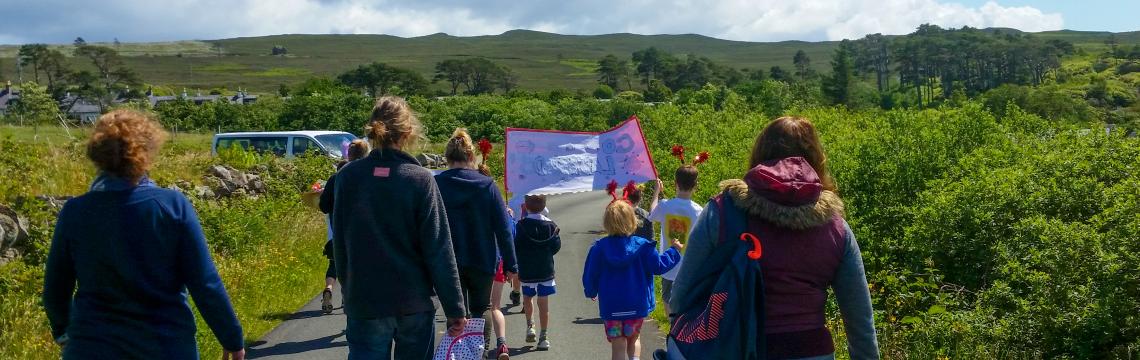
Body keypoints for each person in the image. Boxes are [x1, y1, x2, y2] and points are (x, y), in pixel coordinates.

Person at [667, 116, 879, 359]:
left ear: (760, 153)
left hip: (736, 348)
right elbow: (860, 321)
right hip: (812, 351)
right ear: (817, 159)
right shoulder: (836, 227)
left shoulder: (723, 212)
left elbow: (681, 296)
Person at [42, 109, 245, 360]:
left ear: (97, 154)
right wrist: (232, 339)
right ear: (147, 152)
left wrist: (64, 333)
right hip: (165, 345)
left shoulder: (75, 211)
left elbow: (55, 290)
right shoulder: (171, 205)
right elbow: (205, 283)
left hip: (92, 347)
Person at [322, 96, 467, 359]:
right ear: (407, 132)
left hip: (365, 301)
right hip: (414, 301)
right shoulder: (420, 179)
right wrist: (455, 308)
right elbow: (439, 249)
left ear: (372, 129)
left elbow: (340, 243)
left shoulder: (347, 177)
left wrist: (350, 288)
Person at [434, 128, 519, 360]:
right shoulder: (487, 185)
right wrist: (511, 264)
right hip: (482, 258)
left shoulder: (436, 184)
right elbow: (503, 228)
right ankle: (480, 353)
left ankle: (456, 355)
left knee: (454, 311)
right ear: (471, 156)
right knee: (482, 308)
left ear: (447, 157)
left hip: (448, 261)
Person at [584, 199, 683, 360]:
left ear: (607, 223)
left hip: (612, 308)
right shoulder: (643, 246)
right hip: (636, 306)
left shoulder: (599, 249)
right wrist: (674, 251)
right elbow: (659, 266)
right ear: (632, 221)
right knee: (634, 338)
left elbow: (591, 274)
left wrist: (591, 291)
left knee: (618, 341)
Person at [319, 139, 369, 314]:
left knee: (342, 268)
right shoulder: (370, 174)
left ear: (349, 154)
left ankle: (349, 304)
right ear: (366, 154)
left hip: (340, 233)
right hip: (366, 234)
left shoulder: (337, 177)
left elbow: (324, 206)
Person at [647, 166, 703, 317]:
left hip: (668, 263)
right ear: (695, 186)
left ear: (675, 183)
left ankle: (672, 328)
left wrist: (657, 192)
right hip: (688, 266)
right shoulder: (699, 211)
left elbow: (651, 215)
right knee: (687, 302)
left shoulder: (665, 205)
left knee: (667, 299)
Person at [514, 195, 562, 351]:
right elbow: (555, 247)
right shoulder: (551, 226)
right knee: (544, 304)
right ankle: (544, 336)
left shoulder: (520, 226)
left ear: (526, 206)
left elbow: (516, 246)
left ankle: (530, 326)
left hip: (527, 270)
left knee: (527, 298)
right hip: (545, 269)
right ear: (544, 206)